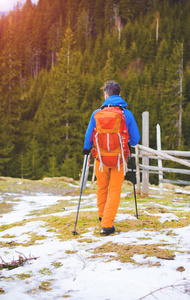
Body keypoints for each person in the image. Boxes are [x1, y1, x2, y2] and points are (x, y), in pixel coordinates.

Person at [83, 81, 140, 235]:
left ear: (105, 95)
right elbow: (135, 139)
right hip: (119, 160)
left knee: (102, 187)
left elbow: (89, 137)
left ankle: (102, 215)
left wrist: (86, 150)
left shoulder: (97, 113)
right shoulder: (126, 114)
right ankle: (107, 224)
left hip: (100, 159)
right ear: (119, 94)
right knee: (114, 190)